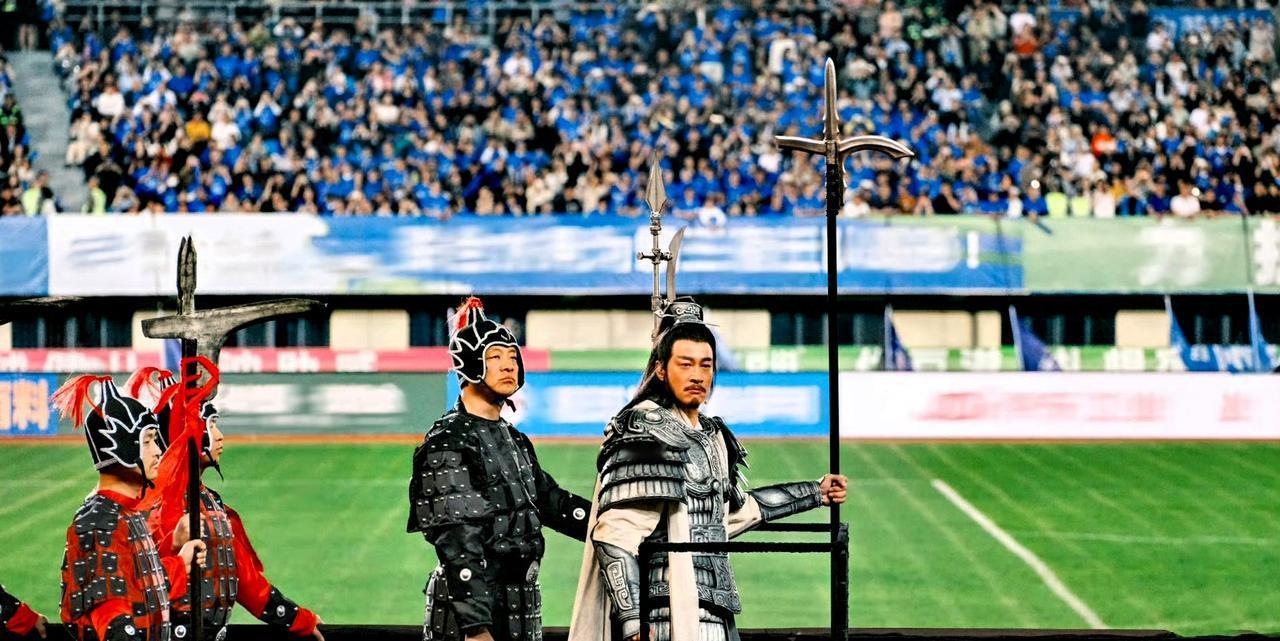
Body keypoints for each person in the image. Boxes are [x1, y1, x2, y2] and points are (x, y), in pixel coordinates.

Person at [569, 297, 848, 641]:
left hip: (716, 607)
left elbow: (729, 516)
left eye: (706, 365)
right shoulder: (647, 428)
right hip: (666, 611)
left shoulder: (713, 435)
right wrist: (633, 622)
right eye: (685, 364)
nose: (697, 375)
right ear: (661, 369)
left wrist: (815, 492)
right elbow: (614, 535)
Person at [407, 296, 592, 641]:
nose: (508, 366)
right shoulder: (449, 440)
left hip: (520, 607)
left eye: (512, 357)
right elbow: (459, 540)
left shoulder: (513, 438)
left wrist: (609, 523)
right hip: (474, 619)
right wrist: (476, 628)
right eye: (494, 357)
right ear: (469, 363)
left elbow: (549, 501)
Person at [125, 367, 324, 641]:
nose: (219, 435)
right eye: (210, 425)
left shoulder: (207, 501)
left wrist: (296, 618)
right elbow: (138, 582)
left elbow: (243, 577)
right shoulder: (154, 503)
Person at [52, 375, 207, 641]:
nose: (158, 451)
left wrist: (179, 560)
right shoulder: (101, 524)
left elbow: (136, 590)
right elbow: (113, 621)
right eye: (148, 441)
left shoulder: (123, 515)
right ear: (121, 447)